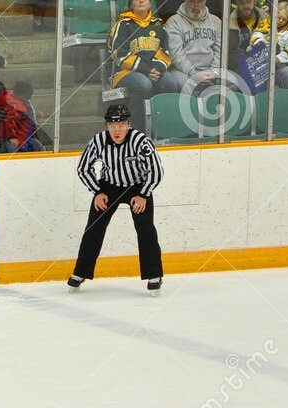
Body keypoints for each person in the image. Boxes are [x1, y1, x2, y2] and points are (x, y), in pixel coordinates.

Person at [68, 103, 165, 293]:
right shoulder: (99, 140)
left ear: (128, 124)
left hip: (137, 188)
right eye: (112, 125)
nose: (116, 130)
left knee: (145, 230)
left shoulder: (140, 141)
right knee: (93, 229)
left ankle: (154, 274)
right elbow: (83, 168)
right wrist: (97, 191)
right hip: (108, 187)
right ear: (106, 126)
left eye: (121, 124)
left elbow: (156, 170)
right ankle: (80, 272)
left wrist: (143, 194)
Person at [109, 0, 183, 127]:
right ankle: (137, 129)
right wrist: (146, 69)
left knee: (170, 83)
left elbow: (165, 52)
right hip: (125, 72)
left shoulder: (158, 25)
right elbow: (118, 53)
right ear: (131, 5)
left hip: (154, 71)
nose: (141, 1)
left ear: (150, 3)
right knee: (143, 84)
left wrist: (156, 69)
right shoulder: (122, 24)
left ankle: (163, 129)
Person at [167, 0, 225, 92]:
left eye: (199, 1)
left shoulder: (216, 21)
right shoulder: (174, 21)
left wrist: (213, 72)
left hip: (211, 70)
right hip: (183, 71)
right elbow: (176, 54)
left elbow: (221, 51)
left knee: (231, 82)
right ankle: (190, 106)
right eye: (192, 1)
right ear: (186, 1)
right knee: (185, 84)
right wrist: (194, 74)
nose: (196, 5)